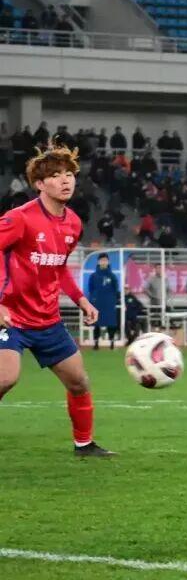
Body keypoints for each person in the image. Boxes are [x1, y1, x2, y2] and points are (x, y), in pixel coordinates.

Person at [0, 146, 113, 456]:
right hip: (11, 317)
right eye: (55, 175)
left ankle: (84, 445)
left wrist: (81, 299)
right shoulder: (20, 218)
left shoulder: (73, 223)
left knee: (79, 382)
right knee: (5, 378)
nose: (65, 180)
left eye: (69, 174)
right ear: (40, 184)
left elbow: (59, 267)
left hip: (47, 319)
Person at [88, 254, 120, 350]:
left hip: (109, 303)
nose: (103, 262)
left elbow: (116, 289)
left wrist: (113, 300)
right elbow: (90, 289)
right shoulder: (93, 276)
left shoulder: (112, 276)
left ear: (108, 262)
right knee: (96, 323)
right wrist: (93, 300)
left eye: (105, 260)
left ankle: (112, 343)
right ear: (98, 262)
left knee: (111, 323)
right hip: (97, 303)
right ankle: (96, 343)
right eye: (102, 260)